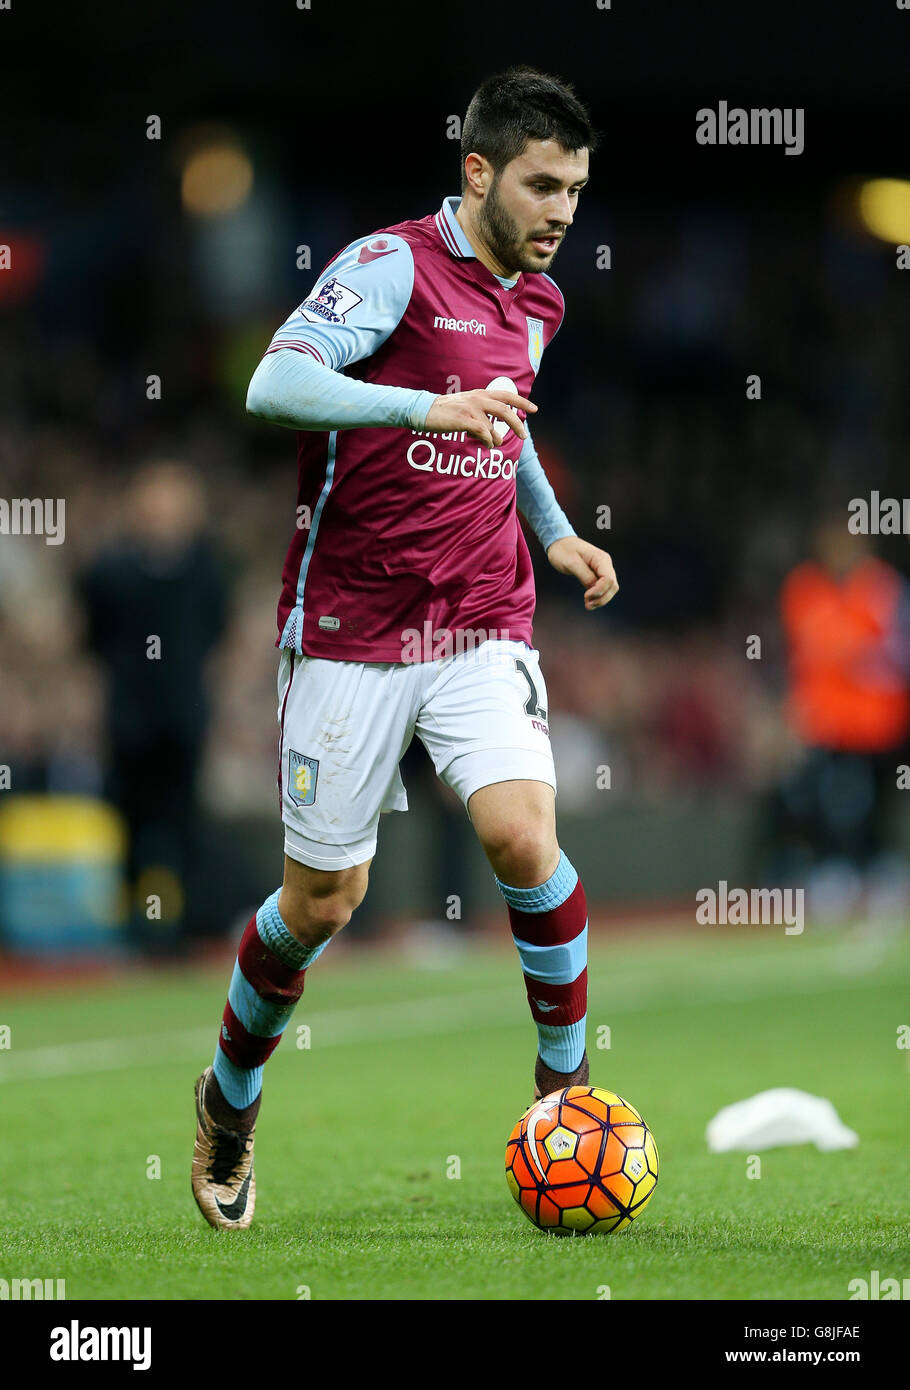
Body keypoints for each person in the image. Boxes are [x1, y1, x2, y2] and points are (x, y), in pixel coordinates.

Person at [191, 66, 618, 1230]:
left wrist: (556, 530)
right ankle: (228, 1102)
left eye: (576, 191)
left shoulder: (540, 300)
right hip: (352, 628)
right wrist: (421, 408)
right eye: (541, 185)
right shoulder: (389, 267)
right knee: (322, 902)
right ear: (477, 171)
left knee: (522, 835)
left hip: (483, 615)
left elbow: (506, 417)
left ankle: (562, 1103)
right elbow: (275, 383)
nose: (561, 212)